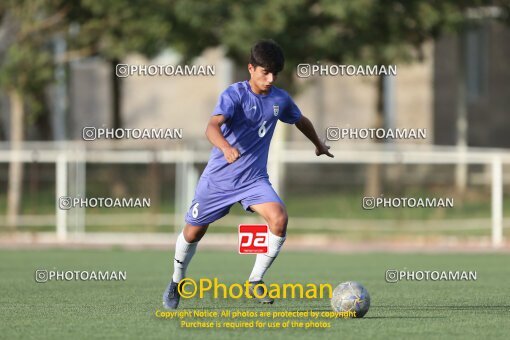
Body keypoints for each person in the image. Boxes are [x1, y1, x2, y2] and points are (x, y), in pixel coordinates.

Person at [163, 39, 333, 309]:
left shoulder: (280, 99)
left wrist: (318, 144)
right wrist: (226, 147)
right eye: (265, 72)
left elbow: (300, 119)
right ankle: (176, 281)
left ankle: (255, 280)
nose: (270, 78)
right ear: (251, 68)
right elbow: (211, 127)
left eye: (274, 74)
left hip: (254, 180)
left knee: (279, 218)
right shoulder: (234, 95)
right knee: (193, 233)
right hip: (219, 180)